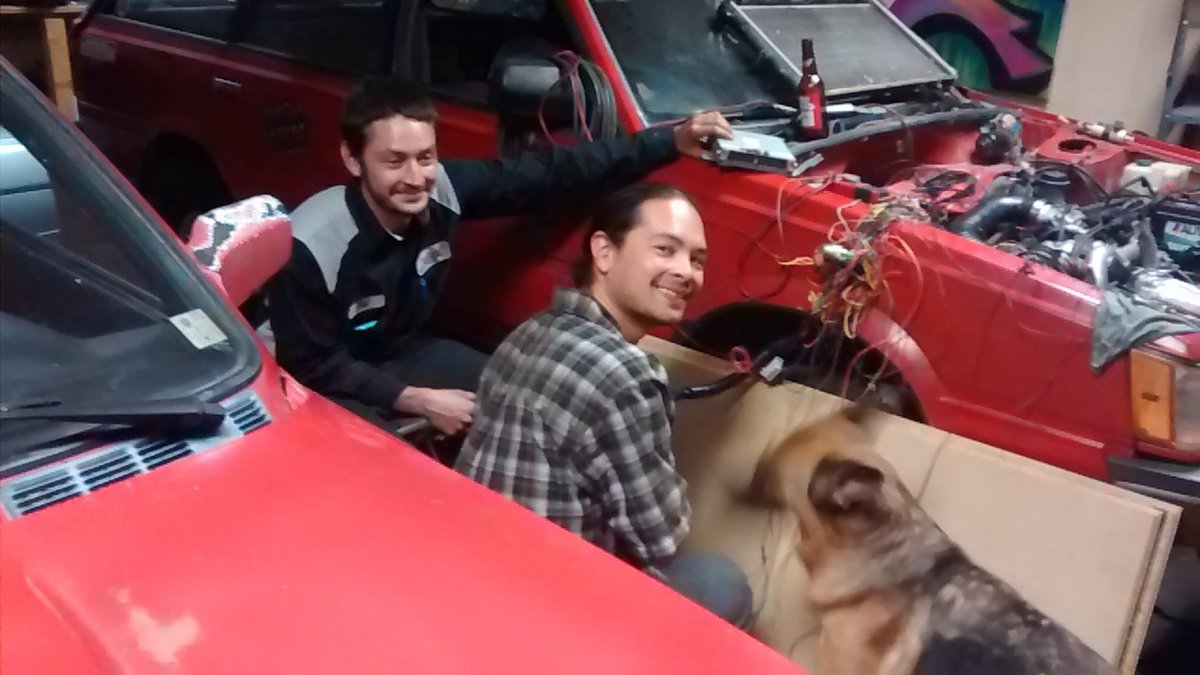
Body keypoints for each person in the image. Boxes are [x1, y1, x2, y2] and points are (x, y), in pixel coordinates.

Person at [266, 77, 731, 437]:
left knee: (524, 396)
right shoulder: (310, 244)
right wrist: (418, 400)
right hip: (314, 377)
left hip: (404, 352)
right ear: (353, 160)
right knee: (383, 454)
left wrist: (670, 141)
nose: (416, 177)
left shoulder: (443, 189)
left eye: (425, 157)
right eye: (394, 161)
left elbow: (553, 173)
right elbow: (314, 365)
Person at [455, 182, 753, 628]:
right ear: (604, 251)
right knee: (721, 581)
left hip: (469, 563)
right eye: (665, 249)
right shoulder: (626, 375)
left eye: (696, 260)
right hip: (547, 607)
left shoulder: (531, 330)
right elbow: (661, 535)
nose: (686, 272)